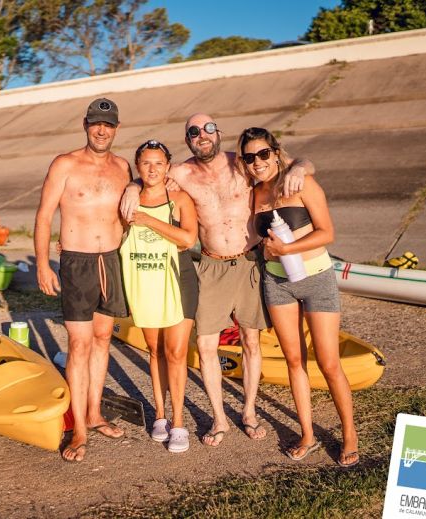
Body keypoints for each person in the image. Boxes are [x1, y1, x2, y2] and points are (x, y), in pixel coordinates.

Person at [121, 113, 314, 447]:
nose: (202, 135)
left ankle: (249, 411)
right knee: (207, 346)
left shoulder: (242, 163)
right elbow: (150, 173)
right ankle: (219, 419)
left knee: (251, 340)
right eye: (194, 131)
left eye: (208, 128)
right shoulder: (181, 172)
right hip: (211, 265)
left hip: (249, 261)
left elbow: (299, 161)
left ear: (218, 133)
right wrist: (130, 186)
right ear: (188, 140)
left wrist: (298, 168)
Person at [239, 127, 358, 467]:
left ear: (275, 153)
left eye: (263, 154)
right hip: (278, 284)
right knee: (294, 361)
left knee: (329, 362)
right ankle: (307, 433)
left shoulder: (300, 182)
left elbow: (328, 233)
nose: (257, 162)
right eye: (250, 157)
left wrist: (287, 248)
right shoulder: (255, 193)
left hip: (317, 278)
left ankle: (348, 433)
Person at [34, 98, 132, 462]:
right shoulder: (65, 164)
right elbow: (44, 217)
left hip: (112, 260)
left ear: (116, 128)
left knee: (103, 338)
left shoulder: (123, 167)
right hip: (76, 263)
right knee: (79, 345)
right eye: (95, 124)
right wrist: (43, 264)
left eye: (108, 124)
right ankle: (78, 429)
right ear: (86, 125)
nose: (101, 130)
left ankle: (94, 412)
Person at [120, 139, 198, 453]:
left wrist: (149, 219)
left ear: (168, 166)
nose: (152, 169)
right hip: (144, 280)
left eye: (158, 163)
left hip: (178, 280)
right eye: (146, 163)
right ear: (138, 167)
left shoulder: (179, 198)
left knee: (177, 352)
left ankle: (179, 423)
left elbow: (189, 238)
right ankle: (161, 415)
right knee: (155, 351)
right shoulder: (128, 198)